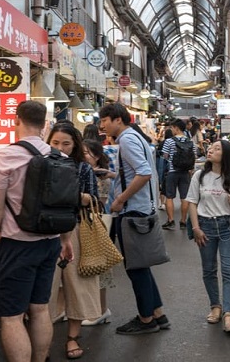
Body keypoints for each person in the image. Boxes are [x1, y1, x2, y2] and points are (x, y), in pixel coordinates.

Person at [0, 100, 74, 362]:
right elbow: (65, 204)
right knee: (41, 309)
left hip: (17, 246)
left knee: (11, 316)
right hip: (50, 243)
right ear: (45, 124)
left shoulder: (4, 157)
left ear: (16, 120)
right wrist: (66, 240)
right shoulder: (60, 157)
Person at [98, 102, 170, 335]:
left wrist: (120, 200)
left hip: (132, 212)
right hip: (140, 208)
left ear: (117, 119)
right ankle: (158, 314)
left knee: (135, 268)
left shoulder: (127, 140)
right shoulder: (135, 137)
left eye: (104, 121)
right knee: (141, 266)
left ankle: (146, 319)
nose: (102, 126)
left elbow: (144, 173)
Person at [46, 124, 101, 360]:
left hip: (76, 229)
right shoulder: (41, 165)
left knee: (77, 285)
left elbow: (95, 199)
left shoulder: (83, 168)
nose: (60, 147)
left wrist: (72, 194)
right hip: (45, 232)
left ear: (75, 145)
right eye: (56, 143)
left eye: (66, 143)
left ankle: (72, 338)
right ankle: (42, 341)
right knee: (45, 289)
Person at [187, 140, 230, 335]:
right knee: (209, 269)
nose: (211, 150)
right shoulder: (200, 175)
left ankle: (229, 314)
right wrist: (195, 227)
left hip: (228, 226)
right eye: (211, 147)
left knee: (229, 271)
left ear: (226, 154)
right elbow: (192, 203)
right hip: (205, 226)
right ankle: (215, 306)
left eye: (217, 148)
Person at [81, 138, 116, 327]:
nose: (83, 156)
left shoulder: (101, 178)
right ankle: (94, 310)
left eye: (86, 153)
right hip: (87, 224)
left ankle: (101, 310)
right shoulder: (81, 171)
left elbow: (98, 203)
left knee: (98, 268)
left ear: (96, 156)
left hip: (94, 224)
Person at [160, 119, 193, 230]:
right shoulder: (190, 141)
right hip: (185, 172)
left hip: (172, 172)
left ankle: (171, 220)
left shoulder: (169, 141)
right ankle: (183, 221)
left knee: (169, 197)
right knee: (184, 197)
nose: (172, 130)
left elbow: (165, 156)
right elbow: (194, 156)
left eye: (172, 128)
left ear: (176, 128)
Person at [154, 128, 173, 211]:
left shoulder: (162, 143)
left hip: (163, 166)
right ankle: (167, 203)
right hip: (172, 168)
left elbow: (160, 157)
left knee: (163, 186)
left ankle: (162, 203)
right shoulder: (173, 143)